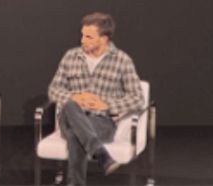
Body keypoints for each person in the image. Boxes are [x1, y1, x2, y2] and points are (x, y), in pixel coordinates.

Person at [46, 12, 144, 186]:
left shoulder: (122, 61)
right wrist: (75, 97)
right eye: (82, 35)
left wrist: (106, 105)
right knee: (70, 105)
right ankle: (102, 155)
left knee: (76, 136)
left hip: (102, 122)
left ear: (104, 39)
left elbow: (138, 99)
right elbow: (54, 90)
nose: (82, 40)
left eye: (89, 37)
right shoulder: (71, 56)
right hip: (68, 118)